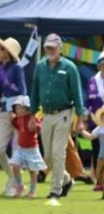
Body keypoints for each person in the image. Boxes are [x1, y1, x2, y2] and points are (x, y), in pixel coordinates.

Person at [30, 34, 86, 200]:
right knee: (47, 156)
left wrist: (80, 119)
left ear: (60, 48)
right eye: (47, 47)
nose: (49, 50)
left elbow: (77, 94)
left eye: (53, 48)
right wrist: (33, 115)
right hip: (46, 114)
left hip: (64, 113)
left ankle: (56, 190)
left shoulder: (70, 67)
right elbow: (34, 93)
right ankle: (67, 179)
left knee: (58, 152)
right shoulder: (40, 67)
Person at [0, 37, 26, 190]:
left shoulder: (17, 68)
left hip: (17, 112)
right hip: (4, 111)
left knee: (16, 151)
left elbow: (23, 91)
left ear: (8, 52)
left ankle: (17, 184)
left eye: (1, 49)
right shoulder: (0, 70)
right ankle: (14, 178)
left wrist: (18, 111)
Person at [7, 97, 45, 198]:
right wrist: (12, 120)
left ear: (28, 109)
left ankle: (32, 191)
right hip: (21, 148)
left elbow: (39, 127)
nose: (19, 111)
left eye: (21, 108)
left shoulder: (32, 118)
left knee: (32, 170)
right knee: (15, 166)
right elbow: (17, 126)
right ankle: (20, 186)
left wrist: (35, 126)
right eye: (17, 108)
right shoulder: (18, 119)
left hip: (32, 148)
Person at [85, 55, 104, 190]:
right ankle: (99, 180)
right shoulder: (92, 81)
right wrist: (85, 118)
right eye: (102, 65)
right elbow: (88, 101)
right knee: (97, 151)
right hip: (94, 120)